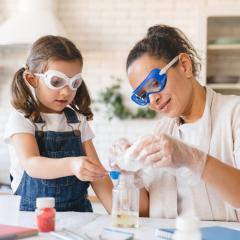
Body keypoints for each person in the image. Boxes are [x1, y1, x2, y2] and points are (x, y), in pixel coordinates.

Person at [121, 24, 240, 221]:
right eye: (143, 95)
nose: (152, 100)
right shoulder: (161, 130)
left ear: (184, 65)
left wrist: (194, 159)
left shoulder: (234, 114)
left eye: (154, 83)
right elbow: (144, 212)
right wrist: (128, 174)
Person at [4, 35, 113, 212]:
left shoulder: (78, 121)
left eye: (74, 83)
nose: (66, 92)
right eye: (56, 81)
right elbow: (32, 164)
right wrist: (72, 165)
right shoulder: (22, 118)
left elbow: (97, 174)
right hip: (33, 217)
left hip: (78, 214)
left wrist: (118, 215)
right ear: (32, 79)